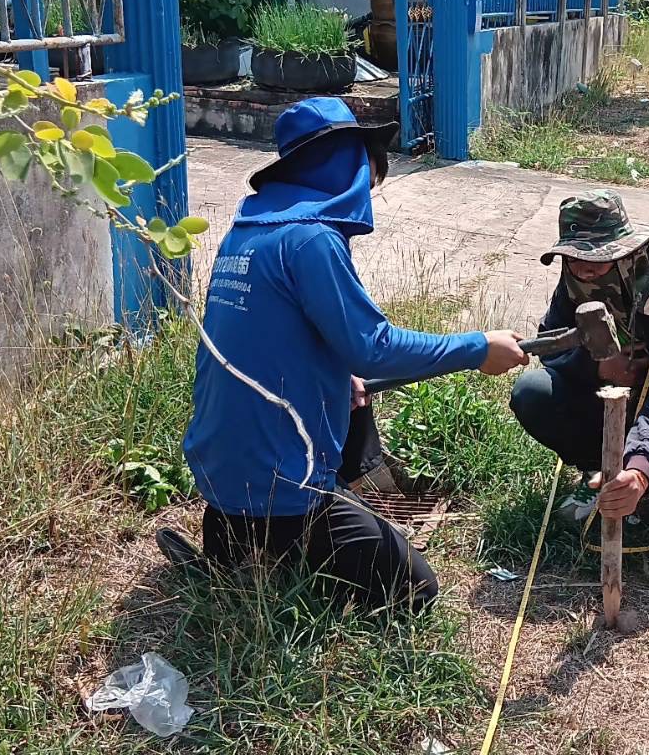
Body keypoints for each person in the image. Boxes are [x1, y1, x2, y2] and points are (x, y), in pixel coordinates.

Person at [177, 97, 528, 611]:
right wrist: (477, 348)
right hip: (281, 488)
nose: (368, 191)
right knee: (416, 589)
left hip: (221, 476)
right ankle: (290, 551)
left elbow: (266, 342)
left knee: (352, 391)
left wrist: (336, 378)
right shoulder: (311, 240)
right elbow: (374, 348)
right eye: (370, 177)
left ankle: (241, 546)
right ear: (345, 165)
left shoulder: (248, 230)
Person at [509, 190, 649, 546]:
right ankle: (598, 472)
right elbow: (552, 342)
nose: (584, 269)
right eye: (574, 257)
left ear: (627, 252)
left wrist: (641, 473)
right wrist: (596, 367)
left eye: (597, 259)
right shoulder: (576, 280)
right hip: (604, 395)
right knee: (532, 392)